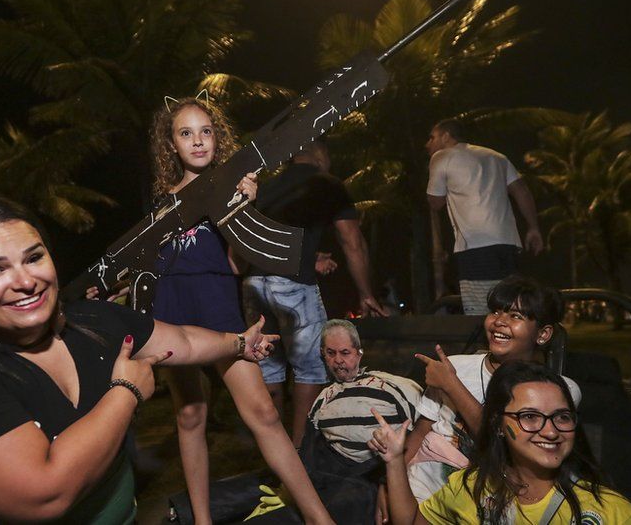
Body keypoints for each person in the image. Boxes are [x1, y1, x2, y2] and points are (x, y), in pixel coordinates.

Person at [0, 194, 281, 523]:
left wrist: (238, 344)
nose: (25, 280)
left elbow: (183, 340)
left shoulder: (94, 322)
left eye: (33, 257)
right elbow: (45, 494)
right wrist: (125, 391)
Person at [145, 95, 333, 524]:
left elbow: (235, 264)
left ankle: (319, 518)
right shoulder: (160, 203)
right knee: (190, 415)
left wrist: (242, 206)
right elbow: (155, 266)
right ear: (171, 145)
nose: (197, 141)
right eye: (186, 133)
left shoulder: (232, 187)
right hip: (172, 310)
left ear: (217, 138)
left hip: (218, 308)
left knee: (264, 413)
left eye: (205, 131)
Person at [370, 361, 631, 524]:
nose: (550, 432)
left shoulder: (610, 512)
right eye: (529, 416)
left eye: (561, 417)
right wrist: (394, 460)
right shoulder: (471, 488)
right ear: (498, 425)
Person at [243, 140, 387, 446]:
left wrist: (311, 257)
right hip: (294, 288)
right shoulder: (327, 184)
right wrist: (366, 292)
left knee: (268, 366)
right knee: (310, 369)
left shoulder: (267, 186)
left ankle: (273, 448)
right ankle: (300, 452)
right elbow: (352, 240)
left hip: (254, 284)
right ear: (321, 155)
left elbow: (267, 242)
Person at [403, 276, 581, 502]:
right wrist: (390, 483)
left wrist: (452, 385)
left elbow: (505, 448)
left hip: (495, 494)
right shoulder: (454, 366)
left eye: (515, 316)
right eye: (495, 311)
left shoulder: (558, 391)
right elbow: (420, 433)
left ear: (543, 334)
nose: (499, 321)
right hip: (426, 482)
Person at [304, 319, 423, 523]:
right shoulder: (323, 399)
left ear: (359, 352)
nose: (338, 360)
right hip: (342, 477)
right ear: (323, 354)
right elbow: (311, 450)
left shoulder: (391, 386)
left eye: (345, 352)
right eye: (331, 353)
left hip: (387, 470)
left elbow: (420, 429)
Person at [425, 119, 544, 315]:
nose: (427, 144)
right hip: (508, 245)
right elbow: (521, 190)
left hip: (476, 246)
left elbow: (435, 202)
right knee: (508, 309)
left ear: (446, 136)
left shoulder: (441, 157)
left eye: (432, 137)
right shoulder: (496, 156)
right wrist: (533, 227)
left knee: (480, 315)